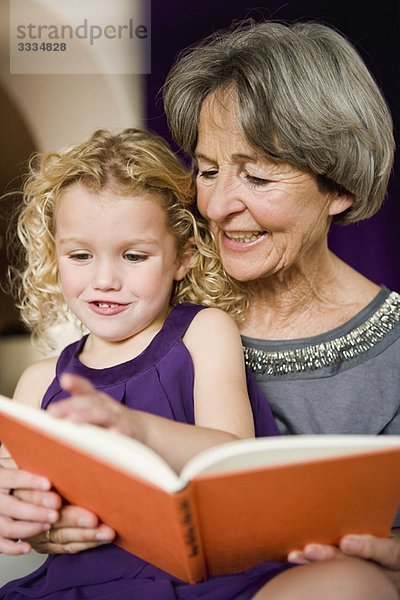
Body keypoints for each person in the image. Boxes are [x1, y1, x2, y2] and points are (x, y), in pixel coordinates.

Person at [2, 127, 395, 599]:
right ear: (55, 256)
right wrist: (16, 511)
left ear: (184, 257)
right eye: (81, 255)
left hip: (214, 585)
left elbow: (233, 461)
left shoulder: (203, 332)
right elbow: (18, 505)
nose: (105, 279)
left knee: (351, 583)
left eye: (134, 255)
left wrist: (137, 430)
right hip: (83, 588)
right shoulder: (37, 383)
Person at [162, 17, 400, 588]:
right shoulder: (149, 301)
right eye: (209, 171)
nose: (218, 206)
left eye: (258, 179)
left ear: (339, 187)